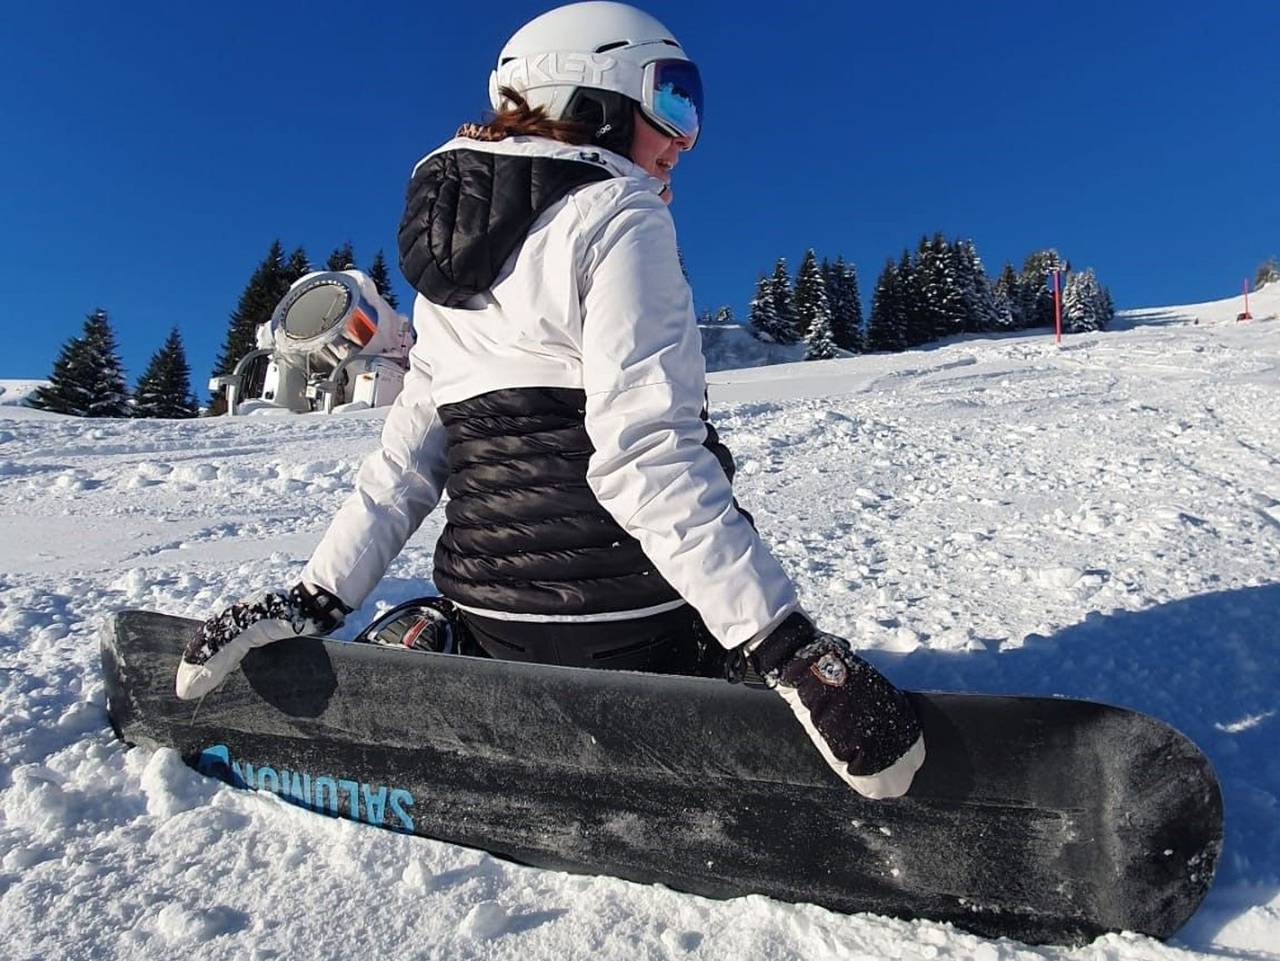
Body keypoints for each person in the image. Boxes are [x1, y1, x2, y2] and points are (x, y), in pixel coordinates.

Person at [175, 1, 925, 800]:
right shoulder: (620, 217)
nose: (685, 141)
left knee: (475, 564)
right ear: (590, 90)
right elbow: (645, 456)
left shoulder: (443, 279)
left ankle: (446, 633)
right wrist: (787, 647)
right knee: (698, 621)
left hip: (502, 624)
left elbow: (404, 467)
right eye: (673, 102)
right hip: (635, 630)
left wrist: (315, 596)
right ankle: (722, 666)